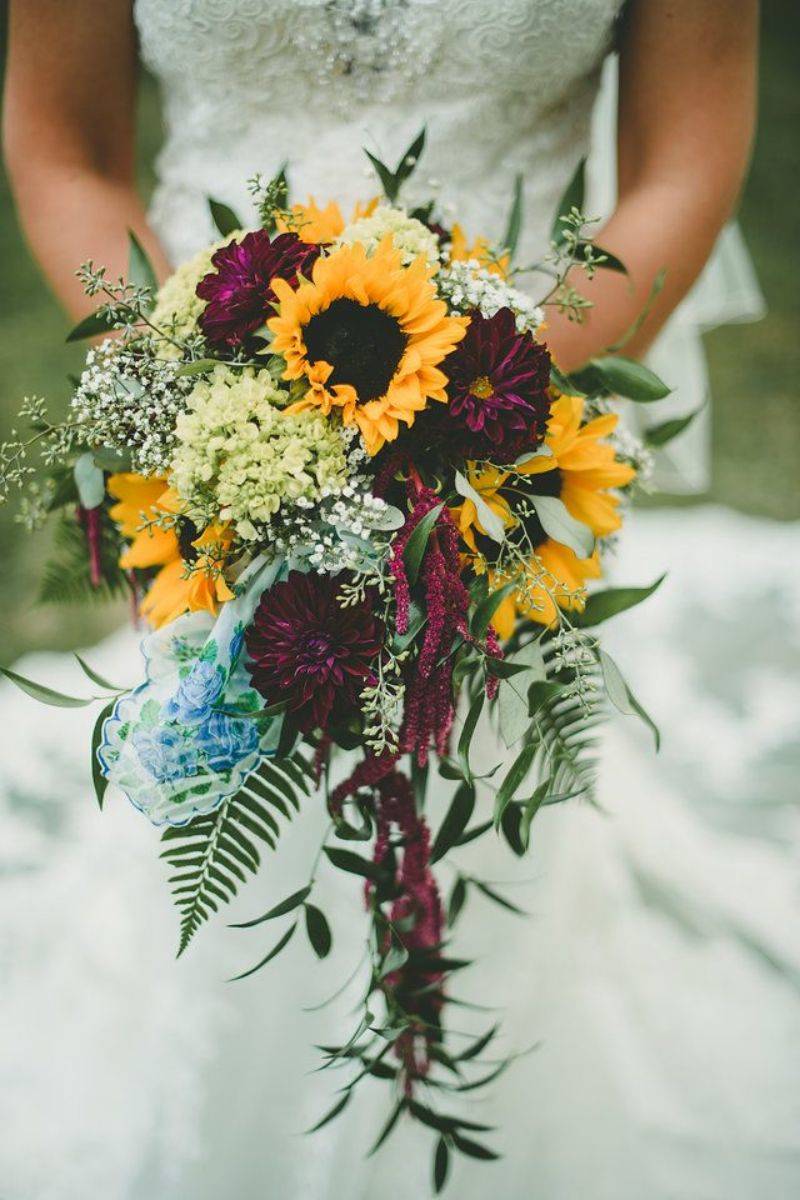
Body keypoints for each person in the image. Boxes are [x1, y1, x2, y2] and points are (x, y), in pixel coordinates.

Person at [2, 3, 798, 1197]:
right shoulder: (206, 415)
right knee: (225, 795)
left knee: (478, 794)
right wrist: (197, 403)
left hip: (519, 419)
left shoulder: (509, 408)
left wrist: (479, 409)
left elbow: (684, 160)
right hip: (206, 418)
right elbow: (62, 145)